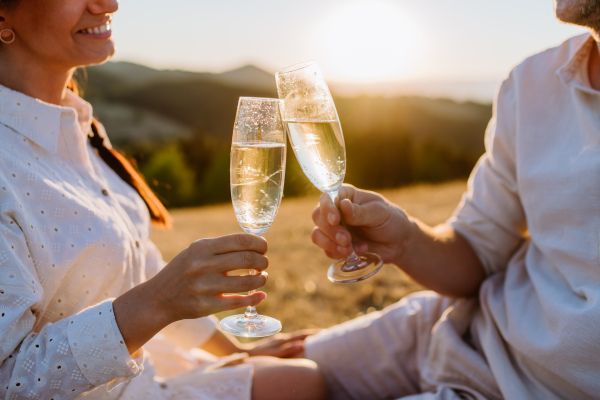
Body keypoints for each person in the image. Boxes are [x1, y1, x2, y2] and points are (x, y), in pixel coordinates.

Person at [0, 1, 326, 399]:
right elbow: (7, 379)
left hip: (149, 373)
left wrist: (238, 349)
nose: (108, 4)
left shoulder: (78, 129)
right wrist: (154, 303)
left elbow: (138, 271)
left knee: (306, 378)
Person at [300, 0, 600, 399]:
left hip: (519, 389)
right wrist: (404, 238)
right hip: (450, 325)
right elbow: (478, 249)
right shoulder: (532, 82)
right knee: (245, 375)